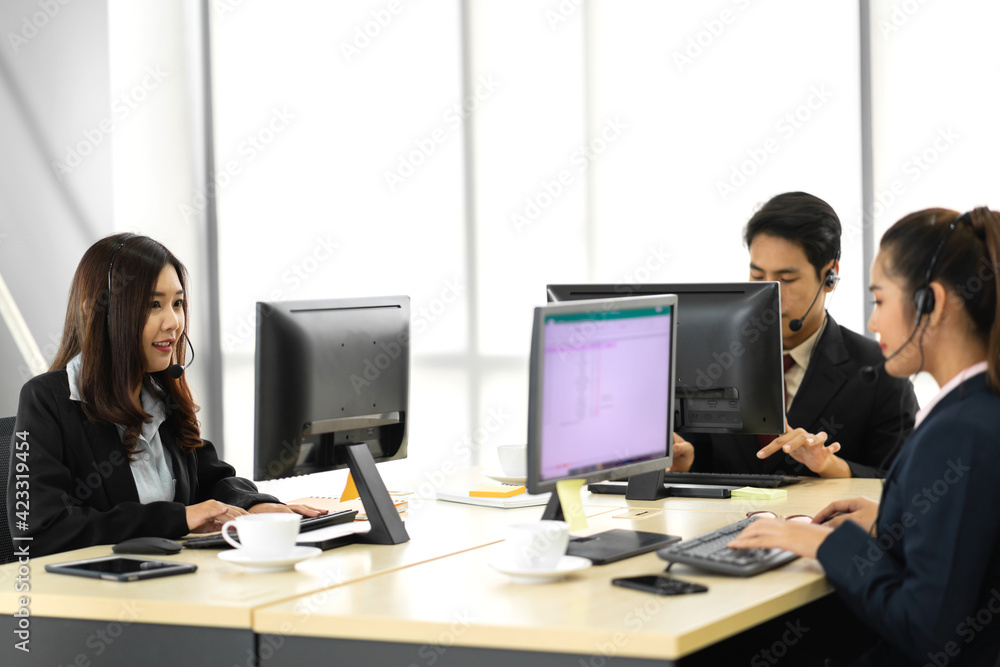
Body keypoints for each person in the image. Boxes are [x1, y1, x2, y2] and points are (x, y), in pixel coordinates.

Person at [730, 207, 1000, 665]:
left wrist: (824, 544)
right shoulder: (977, 409)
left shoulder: (958, 431)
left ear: (930, 303)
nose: (872, 323)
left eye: (879, 300)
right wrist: (896, 520)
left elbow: (925, 628)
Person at [7, 233, 324, 557]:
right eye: (153, 305)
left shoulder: (159, 397)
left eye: (177, 303)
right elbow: (40, 533)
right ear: (96, 311)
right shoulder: (49, 402)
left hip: (175, 582)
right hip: (100, 597)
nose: (173, 322)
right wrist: (178, 518)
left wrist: (255, 507)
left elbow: (212, 479)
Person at [672, 192, 918, 478]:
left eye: (786, 279)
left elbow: (903, 481)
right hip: (727, 524)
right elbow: (701, 457)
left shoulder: (880, 369)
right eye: (757, 276)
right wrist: (685, 464)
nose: (769, 294)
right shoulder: (713, 357)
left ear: (830, 277)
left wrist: (831, 466)